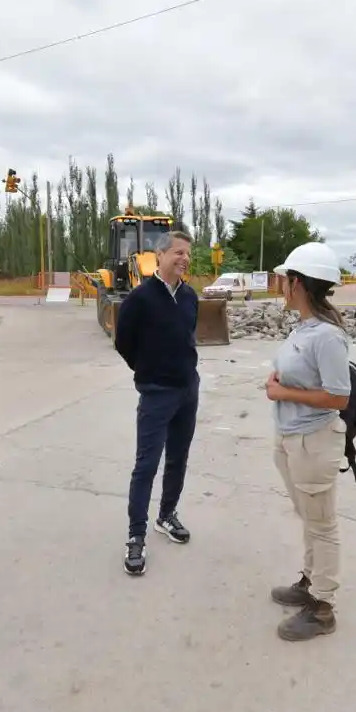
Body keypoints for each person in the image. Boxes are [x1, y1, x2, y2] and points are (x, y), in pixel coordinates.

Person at [264, 242, 351, 642]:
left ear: (296, 284)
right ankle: (310, 581)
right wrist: (279, 381)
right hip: (291, 437)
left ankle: (323, 607)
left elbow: (339, 397)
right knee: (310, 517)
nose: (281, 285)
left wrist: (283, 393)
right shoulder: (303, 328)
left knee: (322, 523)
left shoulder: (328, 337)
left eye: (284, 279)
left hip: (313, 441)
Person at [112, 230, 198, 576]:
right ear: (159, 256)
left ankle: (166, 515)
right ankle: (136, 535)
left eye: (187, 254)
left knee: (178, 458)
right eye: (178, 252)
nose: (184, 259)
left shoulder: (189, 296)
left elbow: (188, 337)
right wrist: (147, 371)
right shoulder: (140, 298)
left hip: (188, 389)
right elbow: (123, 342)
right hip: (156, 392)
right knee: (146, 465)